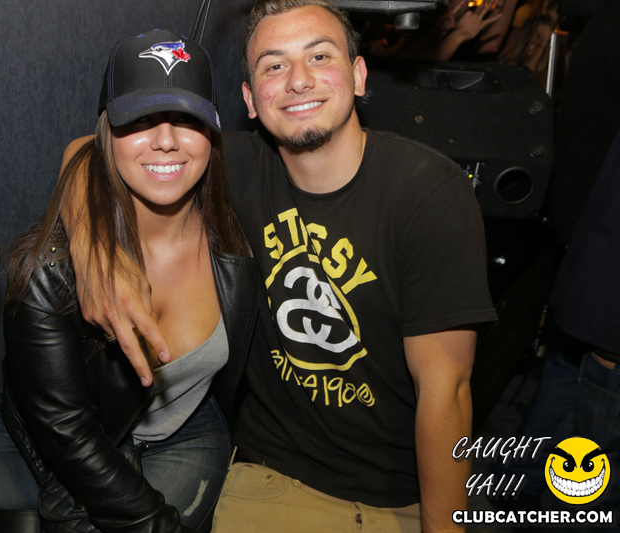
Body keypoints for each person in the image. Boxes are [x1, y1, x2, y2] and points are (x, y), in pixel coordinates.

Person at [66, 1, 496, 531]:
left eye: (319, 56)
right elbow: (88, 152)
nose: (298, 80)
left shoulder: (428, 193)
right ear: (250, 99)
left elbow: (447, 391)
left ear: (359, 75)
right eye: (274, 65)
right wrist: (95, 253)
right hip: (273, 478)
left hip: (402, 493)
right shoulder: (236, 168)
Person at [0, 29, 259, 533]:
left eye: (187, 119)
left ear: (213, 132)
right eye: (140, 120)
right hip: (47, 436)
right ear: (108, 133)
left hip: (182, 431)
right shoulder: (49, 269)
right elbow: (67, 432)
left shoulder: (237, 218)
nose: (165, 139)